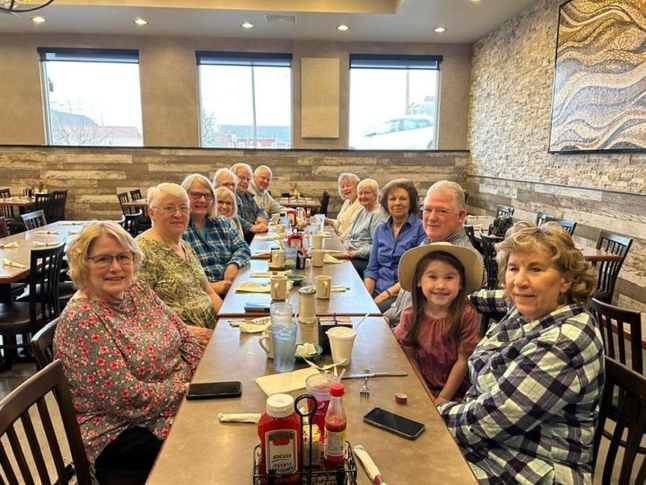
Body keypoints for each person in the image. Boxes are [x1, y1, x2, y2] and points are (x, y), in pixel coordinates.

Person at [439, 221, 604, 484]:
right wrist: (446, 298)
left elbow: (490, 419)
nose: (519, 281)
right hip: (489, 446)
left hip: (530, 468)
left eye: (536, 269)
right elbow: (488, 297)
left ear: (565, 280)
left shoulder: (565, 341)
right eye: (513, 268)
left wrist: (435, 411)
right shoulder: (529, 305)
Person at [53, 221, 204, 483]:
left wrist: (197, 380)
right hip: (119, 432)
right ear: (82, 263)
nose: (116, 267)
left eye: (123, 256)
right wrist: (191, 390)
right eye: (103, 259)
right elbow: (129, 399)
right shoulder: (83, 320)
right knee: (214, 438)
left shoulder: (136, 289)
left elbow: (184, 336)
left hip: (166, 403)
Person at [384, 180, 485, 327]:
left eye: (442, 211)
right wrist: (385, 318)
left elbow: (434, 326)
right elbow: (400, 307)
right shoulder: (429, 243)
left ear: (461, 216)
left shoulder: (463, 258)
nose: (431, 218)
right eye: (427, 210)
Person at [394, 243, 481, 404]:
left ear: (461, 283)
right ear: (419, 281)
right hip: (418, 381)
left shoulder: (466, 315)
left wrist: (443, 398)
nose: (441, 285)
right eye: (432, 277)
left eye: (449, 277)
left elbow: (463, 360)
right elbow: (409, 356)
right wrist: (423, 391)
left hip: (453, 388)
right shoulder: (410, 315)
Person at [136, 183, 221, 328]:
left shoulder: (185, 246)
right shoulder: (141, 252)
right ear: (152, 213)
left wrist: (230, 322)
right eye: (169, 208)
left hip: (211, 332)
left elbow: (209, 292)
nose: (178, 214)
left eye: (183, 208)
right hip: (180, 341)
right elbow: (142, 313)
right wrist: (190, 334)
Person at [181, 174, 250, 295]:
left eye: (207, 195)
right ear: (183, 196)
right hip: (201, 298)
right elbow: (179, 279)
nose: (202, 200)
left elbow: (243, 248)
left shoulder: (222, 222)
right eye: (196, 195)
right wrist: (211, 288)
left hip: (231, 291)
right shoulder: (179, 229)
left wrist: (234, 264)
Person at [363, 178, 426, 312]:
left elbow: (415, 274)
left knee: (371, 315)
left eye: (403, 198)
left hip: (402, 294)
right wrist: (366, 296)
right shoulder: (380, 229)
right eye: (392, 199)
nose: (397, 203)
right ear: (386, 203)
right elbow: (372, 268)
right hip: (377, 290)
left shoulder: (421, 229)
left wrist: (387, 293)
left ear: (411, 203)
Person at [341, 178, 388, 277]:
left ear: (376, 194)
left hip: (365, 259)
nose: (363, 196)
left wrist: (355, 253)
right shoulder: (361, 211)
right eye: (360, 193)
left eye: (367, 193)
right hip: (350, 253)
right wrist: (346, 247)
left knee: (340, 268)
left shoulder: (378, 214)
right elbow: (349, 234)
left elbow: (377, 245)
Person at [230, 163, 269, 243]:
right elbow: (231, 216)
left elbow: (260, 210)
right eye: (241, 178)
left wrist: (261, 217)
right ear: (231, 177)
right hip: (242, 242)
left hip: (254, 239)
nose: (245, 181)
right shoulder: (228, 195)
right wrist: (251, 227)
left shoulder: (247, 195)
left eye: (248, 179)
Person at [325, 172, 361, 240]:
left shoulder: (360, 204)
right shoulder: (347, 201)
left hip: (346, 242)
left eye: (348, 185)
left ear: (357, 187)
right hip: (339, 238)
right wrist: (328, 221)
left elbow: (351, 230)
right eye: (342, 186)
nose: (345, 189)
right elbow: (341, 224)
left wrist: (338, 241)